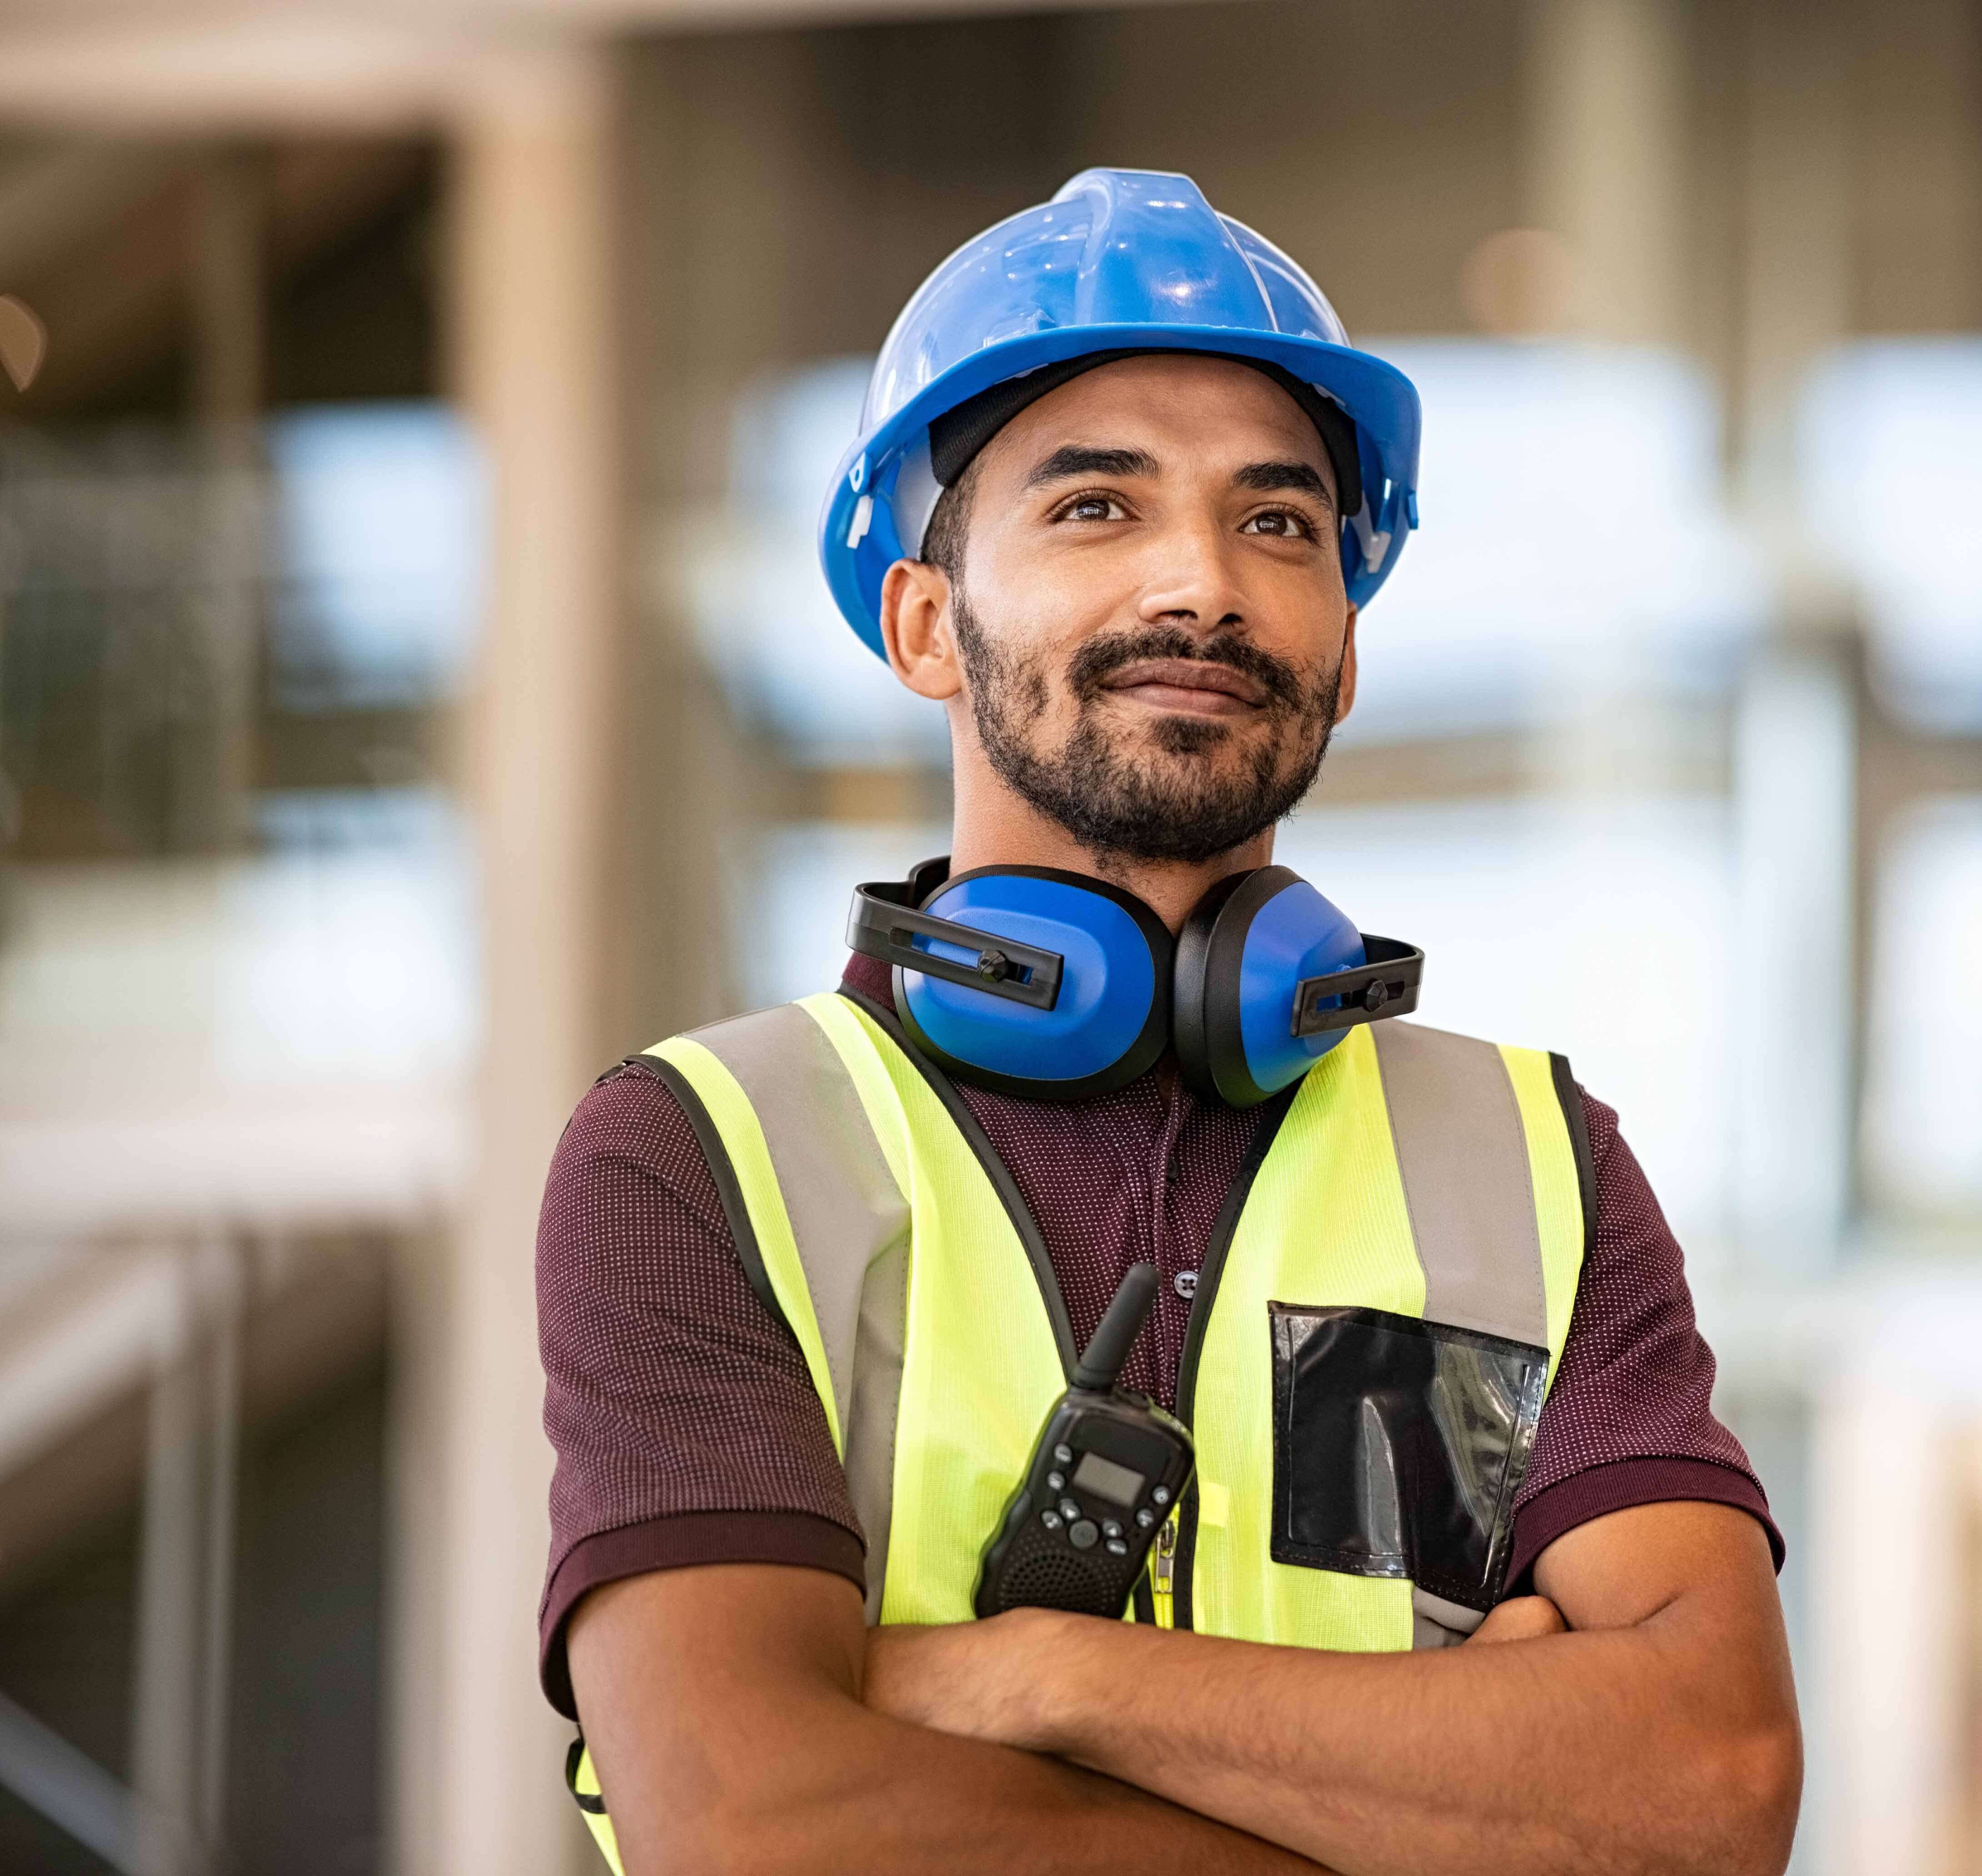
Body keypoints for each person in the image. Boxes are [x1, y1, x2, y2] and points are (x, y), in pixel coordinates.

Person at [537, 167, 1800, 1876]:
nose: (1200, 584)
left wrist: (1046, 1678)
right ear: (927, 627)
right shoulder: (704, 1150)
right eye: (1095, 510)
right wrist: (1455, 1810)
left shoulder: (1536, 1164)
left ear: (1346, 651)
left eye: (1278, 523)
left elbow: (1711, 1787)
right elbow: (758, 1823)